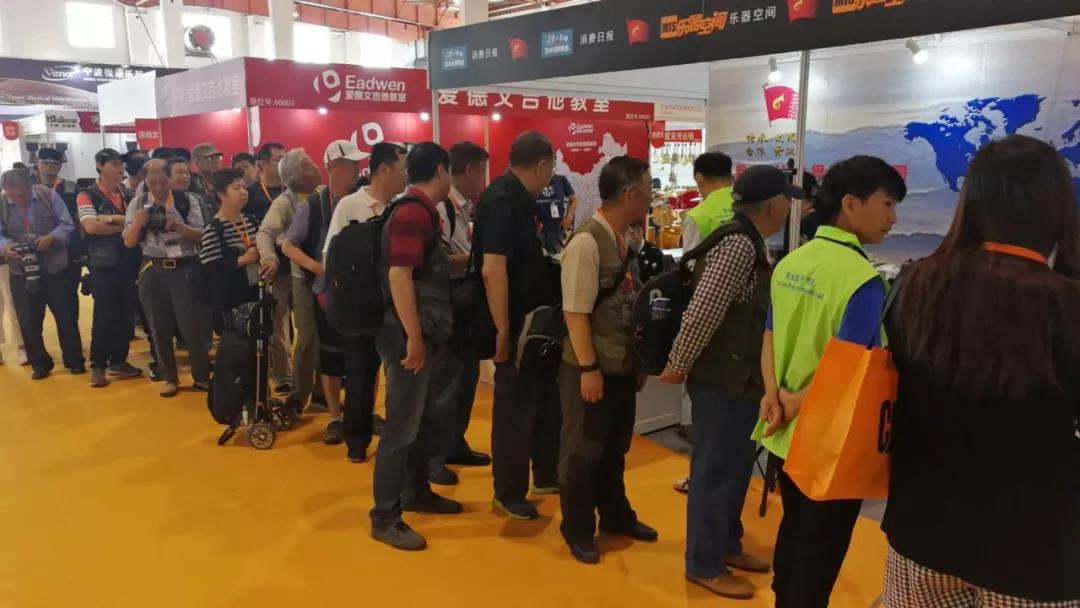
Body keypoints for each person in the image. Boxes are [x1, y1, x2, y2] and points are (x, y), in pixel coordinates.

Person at [884, 136, 1079, 606]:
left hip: (920, 529)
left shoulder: (916, 283)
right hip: (1036, 552)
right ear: (1057, 207)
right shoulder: (1068, 304)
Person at [753, 156, 905, 608]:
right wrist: (795, 403)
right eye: (887, 203)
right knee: (821, 548)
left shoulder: (791, 262)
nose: (893, 217)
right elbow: (850, 367)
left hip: (782, 430)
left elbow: (769, 336)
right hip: (831, 441)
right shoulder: (864, 280)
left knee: (794, 526)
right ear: (851, 204)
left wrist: (773, 397)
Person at [660, 165, 802, 599]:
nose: (790, 207)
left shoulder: (745, 240)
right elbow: (703, 311)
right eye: (787, 199)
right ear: (773, 205)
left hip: (738, 380)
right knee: (715, 472)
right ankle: (703, 564)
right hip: (722, 380)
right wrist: (678, 365)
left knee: (735, 469)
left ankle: (726, 545)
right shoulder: (739, 245)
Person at [558, 156, 659, 565]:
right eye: (648, 191)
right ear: (630, 194)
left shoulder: (625, 240)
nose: (651, 199)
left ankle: (616, 515)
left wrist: (636, 365)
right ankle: (578, 528)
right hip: (591, 368)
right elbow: (575, 313)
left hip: (620, 367)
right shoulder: (586, 242)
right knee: (583, 451)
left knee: (615, 447)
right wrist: (588, 369)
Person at [369, 141, 460, 551]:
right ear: (442, 171)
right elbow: (399, 276)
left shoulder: (421, 211)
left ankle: (416, 492)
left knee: (418, 420)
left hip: (415, 328)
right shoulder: (411, 213)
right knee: (401, 425)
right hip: (405, 332)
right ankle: (384, 516)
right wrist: (414, 338)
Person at [474, 131, 562, 520]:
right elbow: (493, 269)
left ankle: (545, 474)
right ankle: (508, 492)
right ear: (542, 165)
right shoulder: (501, 200)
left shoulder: (519, 198)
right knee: (515, 409)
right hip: (514, 323)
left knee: (543, 401)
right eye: (551, 168)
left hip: (536, 322)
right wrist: (502, 330)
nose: (551, 175)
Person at [324, 142, 407, 462]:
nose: (405, 176)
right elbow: (331, 256)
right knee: (359, 373)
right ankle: (356, 440)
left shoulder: (401, 206)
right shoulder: (350, 206)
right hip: (360, 305)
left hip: (397, 304)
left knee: (399, 374)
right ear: (384, 169)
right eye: (402, 169)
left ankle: (399, 436)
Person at [282, 141, 360, 445]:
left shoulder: (363, 199)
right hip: (327, 294)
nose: (357, 169)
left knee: (362, 357)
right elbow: (288, 244)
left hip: (360, 292)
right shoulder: (313, 206)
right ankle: (335, 416)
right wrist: (317, 267)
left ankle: (360, 412)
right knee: (330, 356)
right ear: (333, 166)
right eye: (351, 164)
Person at [428, 141, 492, 484]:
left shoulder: (465, 207)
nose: (484, 179)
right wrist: (478, 258)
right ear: (469, 170)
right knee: (446, 382)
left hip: (465, 303)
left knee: (466, 377)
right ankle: (433, 457)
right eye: (482, 171)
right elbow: (437, 260)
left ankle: (454, 443)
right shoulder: (442, 208)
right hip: (448, 303)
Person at [124, 158, 210, 398]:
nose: (158, 184)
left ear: (170, 178)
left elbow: (204, 234)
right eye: (151, 178)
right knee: (158, 327)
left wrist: (181, 227)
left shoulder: (188, 200)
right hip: (153, 268)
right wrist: (138, 222)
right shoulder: (138, 203)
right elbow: (128, 241)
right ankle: (169, 377)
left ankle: (202, 376)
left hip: (185, 267)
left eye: (162, 178)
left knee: (193, 327)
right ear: (145, 179)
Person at [257, 149, 326, 412]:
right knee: (306, 336)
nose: (316, 166)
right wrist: (269, 258)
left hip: (324, 274)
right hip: (301, 275)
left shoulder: (323, 193)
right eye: (308, 164)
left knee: (325, 334)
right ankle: (298, 393)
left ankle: (321, 391)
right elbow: (265, 232)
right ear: (296, 178)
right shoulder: (285, 202)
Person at [0, 168, 84, 379]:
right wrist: (5, 246)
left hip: (55, 268)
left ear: (31, 186)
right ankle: (39, 363)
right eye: (13, 197)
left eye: (23, 195)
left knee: (66, 316)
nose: (19, 201)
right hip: (21, 271)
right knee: (28, 321)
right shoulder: (1, 204)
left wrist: (52, 237)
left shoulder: (48, 196)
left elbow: (67, 224)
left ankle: (74, 360)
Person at [77, 148, 144, 388]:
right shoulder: (86, 194)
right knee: (104, 315)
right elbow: (91, 227)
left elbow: (140, 223)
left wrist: (113, 220)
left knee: (126, 314)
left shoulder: (129, 194)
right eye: (114, 164)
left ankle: (119, 360)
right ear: (100, 165)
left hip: (130, 261)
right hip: (103, 263)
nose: (120, 168)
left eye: (120, 164)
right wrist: (126, 226)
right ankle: (98, 364)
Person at [247, 142, 291, 394]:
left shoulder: (294, 191)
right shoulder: (251, 195)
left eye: (286, 158)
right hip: (273, 268)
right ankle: (282, 375)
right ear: (262, 164)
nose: (283, 163)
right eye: (278, 159)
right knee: (277, 324)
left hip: (299, 265)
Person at [200, 168, 260, 320]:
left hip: (256, 288)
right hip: (230, 297)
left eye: (244, 187)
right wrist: (241, 260)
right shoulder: (214, 228)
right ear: (221, 194)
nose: (243, 192)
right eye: (236, 188)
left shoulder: (252, 220)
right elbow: (210, 266)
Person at [35, 148, 84, 320]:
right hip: (38, 251)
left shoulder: (71, 189)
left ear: (60, 166)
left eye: (54, 163)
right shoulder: (30, 188)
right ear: (37, 163)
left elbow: (79, 220)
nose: (49, 166)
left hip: (68, 252)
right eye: (45, 162)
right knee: (35, 303)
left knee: (68, 301)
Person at [683, 152, 735, 251]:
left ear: (699, 179)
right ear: (732, 178)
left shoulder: (697, 216)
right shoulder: (751, 206)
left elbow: (690, 258)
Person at [535, 173, 577, 251]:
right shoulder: (532, 179)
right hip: (537, 229)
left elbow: (574, 200)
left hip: (557, 229)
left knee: (555, 257)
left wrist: (569, 217)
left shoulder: (561, 180)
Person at [190, 143, 223, 213]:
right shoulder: (191, 184)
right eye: (210, 158)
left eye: (218, 157)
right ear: (196, 163)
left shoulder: (225, 181)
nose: (216, 161)